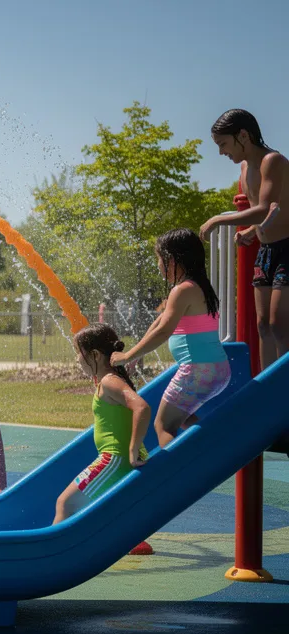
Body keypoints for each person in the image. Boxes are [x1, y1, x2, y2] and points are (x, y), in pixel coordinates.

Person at [111, 229, 229, 447]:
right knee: (183, 417)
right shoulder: (198, 287)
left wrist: (127, 356)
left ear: (172, 260)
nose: (157, 265)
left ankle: (184, 472)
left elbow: (164, 331)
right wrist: (136, 355)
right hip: (215, 368)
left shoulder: (182, 290)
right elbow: (158, 323)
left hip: (197, 370)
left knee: (163, 424)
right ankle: (207, 449)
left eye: (159, 258)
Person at [200, 109, 289, 366]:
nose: (221, 152)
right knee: (262, 326)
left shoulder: (272, 161)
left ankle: (283, 391)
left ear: (243, 135)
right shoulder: (244, 168)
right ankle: (266, 385)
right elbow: (274, 213)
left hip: (287, 249)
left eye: (223, 144)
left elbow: (263, 207)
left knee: (279, 325)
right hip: (267, 251)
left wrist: (218, 220)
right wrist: (252, 231)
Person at [54, 324, 149, 525]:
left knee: (65, 504)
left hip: (114, 458)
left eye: (79, 353)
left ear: (95, 355)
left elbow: (141, 407)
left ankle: (51, 553)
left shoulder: (109, 381)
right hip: (115, 458)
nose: (77, 358)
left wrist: (133, 449)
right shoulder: (107, 380)